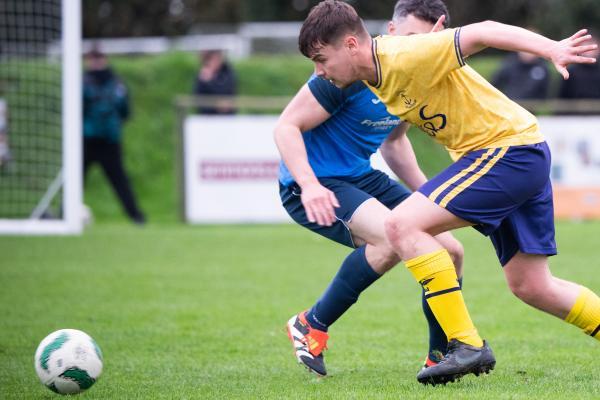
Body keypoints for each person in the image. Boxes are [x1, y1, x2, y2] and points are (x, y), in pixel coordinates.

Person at [299, 0, 600, 385]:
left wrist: (551, 48)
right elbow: (394, 143)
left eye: (322, 59)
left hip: (506, 152)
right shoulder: (375, 77)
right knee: (532, 286)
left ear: (351, 45)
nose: (319, 71)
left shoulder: (402, 54)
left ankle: (465, 344)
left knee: (400, 225)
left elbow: (482, 30)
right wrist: (430, 194)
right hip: (520, 152)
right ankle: (463, 344)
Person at [279, 0, 461, 380]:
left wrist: (433, 197)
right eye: (408, 37)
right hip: (316, 182)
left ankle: (441, 357)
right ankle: (311, 323)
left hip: (360, 176)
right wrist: (310, 185)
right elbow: (286, 127)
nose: (416, 46)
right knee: (398, 237)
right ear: (391, 33)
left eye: (424, 39)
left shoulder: (411, 75)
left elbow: (394, 144)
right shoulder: (343, 73)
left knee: (451, 250)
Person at [83, 47, 146, 225]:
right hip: (88, 139)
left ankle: (136, 216)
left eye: (98, 58)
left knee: (119, 179)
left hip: (108, 140)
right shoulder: (88, 82)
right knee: (77, 179)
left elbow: (125, 109)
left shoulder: (114, 83)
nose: (95, 62)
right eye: (93, 58)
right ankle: (65, 215)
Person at [193, 50, 237, 114]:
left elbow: (227, 90)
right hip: (207, 114)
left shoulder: (227, 72)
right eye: (213, 59)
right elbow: (198, 95)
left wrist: (210, 81)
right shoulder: (202, 74)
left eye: (218, 59)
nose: (215, 62)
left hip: (227, 115)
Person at [559, 33, 600, 100]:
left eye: (592, 47)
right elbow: (562, 97)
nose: (589, 51)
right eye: (586, 46)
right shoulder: (570, 72)